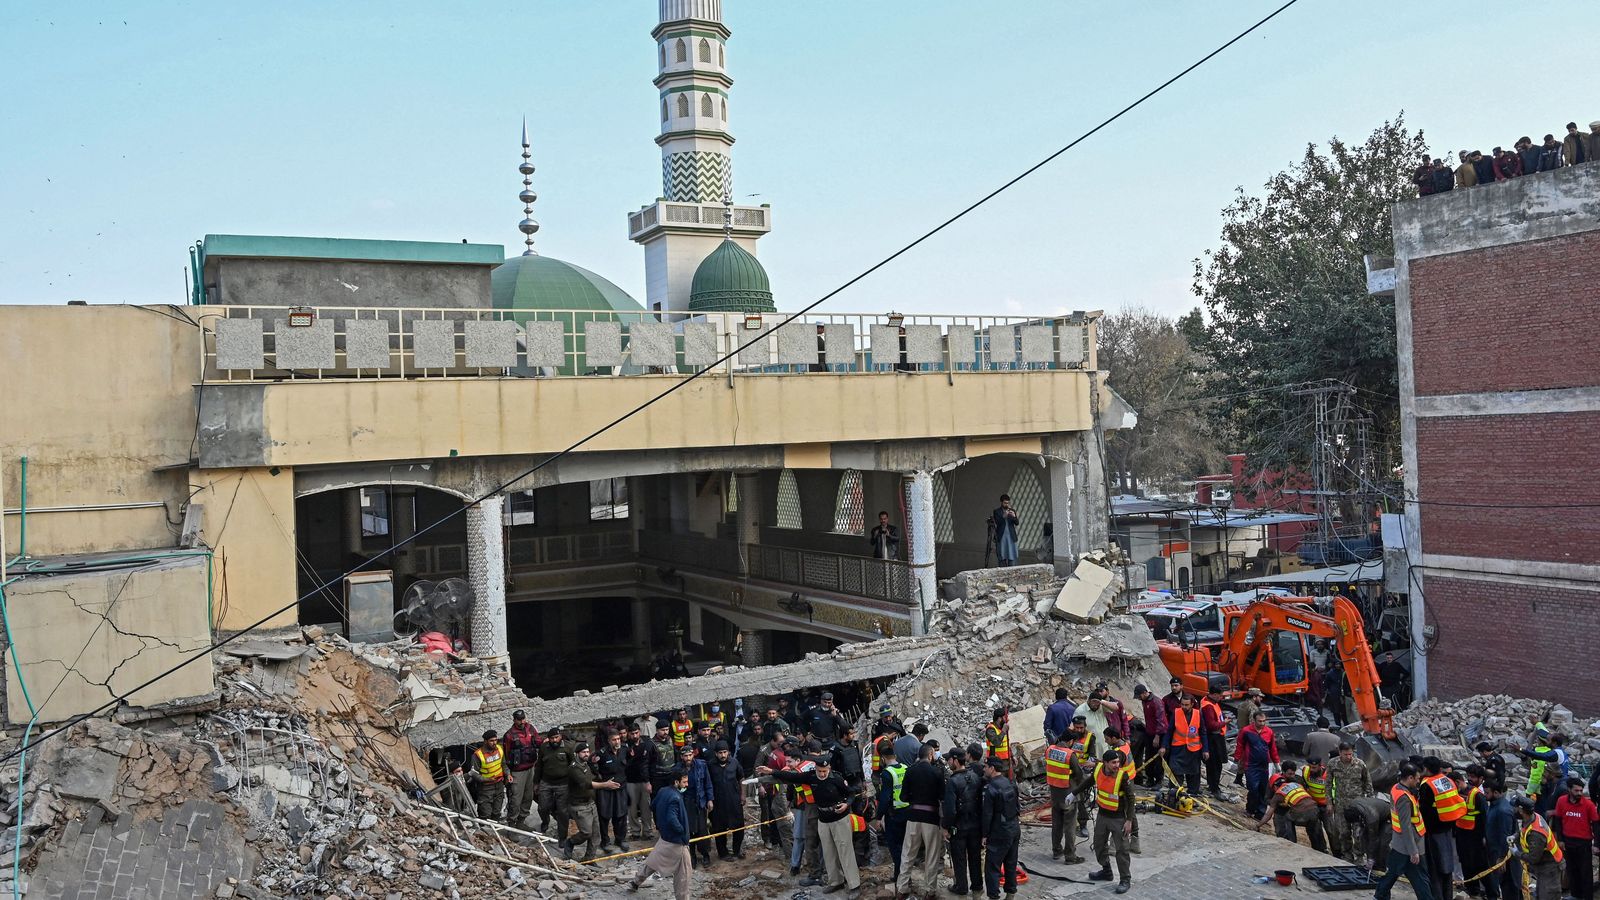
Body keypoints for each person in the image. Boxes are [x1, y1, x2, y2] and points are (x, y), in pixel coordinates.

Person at [762, 756, 861, 896]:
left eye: (824, 771)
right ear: (815, 769)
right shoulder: (811, 777)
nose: (822, 774)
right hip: (823, 820)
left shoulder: (836, 779)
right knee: (828, 853)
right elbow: (791, 776)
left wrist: (847, 804)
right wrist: (771, 771)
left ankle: (854, 885)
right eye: (819, 771)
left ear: (829, 769)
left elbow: (851, 793)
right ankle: (836, 882)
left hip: (839, 819)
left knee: (845, 852)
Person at [627, 768, 692, 900]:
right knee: (684, 875)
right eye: (684, 782)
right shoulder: (675, 797)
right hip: (677, 842)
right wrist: (682, 831)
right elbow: (672, 818)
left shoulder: (663, 791)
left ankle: (635, 882)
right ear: (676, 782)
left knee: (652, 862)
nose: (686, 785)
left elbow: (653, 806)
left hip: (664, 839)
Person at [1373, 764, 1433, 900]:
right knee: (1419, 877)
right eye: (1417, 779)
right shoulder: (1404, 798)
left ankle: (1380, 895)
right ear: (1410, 778)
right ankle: (1380, 895)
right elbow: (1406, 826)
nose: (1418, 781)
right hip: (1410, 844)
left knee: (1394, 873)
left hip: (1401, 843)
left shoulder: (1396, 788)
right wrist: (1413, 851)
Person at [897, 743, 947, 899]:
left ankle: (902, 888)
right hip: (931, 819)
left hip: (913, 817)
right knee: (931, 856)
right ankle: (929, 891)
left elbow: (902, 797)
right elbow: (943, 797)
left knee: (907, 854)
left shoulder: (910, 771)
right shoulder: (937, 772)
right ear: (931, 755)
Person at [1087, 748, 1135, 895]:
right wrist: (1072, 794)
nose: (1117, 765)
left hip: (1118, 818)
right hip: (1102, 816)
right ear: (1105, 763)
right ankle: (1106, 871)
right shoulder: (1098, 771)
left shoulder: (1122, 776)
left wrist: (1129, 821)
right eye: (1113, 762)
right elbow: (1087, 782)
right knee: (1099, 845)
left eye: (1118, 762)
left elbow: (1131, 798)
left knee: (1122, 850)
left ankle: (1125, 880)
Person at [1417, 757, 1464, 900]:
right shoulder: (1447, 780)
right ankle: (1447, 896)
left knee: (1435, 869)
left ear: (1427, 769)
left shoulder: (1427, 785)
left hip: (1433, 831)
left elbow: (1424, 810)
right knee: (1447, 867)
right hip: (1448, 828)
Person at [565, 742, 618, 862]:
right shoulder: (574, 768)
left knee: (595, 835)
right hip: (579, 805)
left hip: (590, 803)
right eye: (583, 752)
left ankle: (589, 860)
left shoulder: (586, 765)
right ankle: (571, 842)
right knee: (586, 832)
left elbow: (592, 777)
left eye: (588, 752)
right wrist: (605, 785)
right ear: (577, 754)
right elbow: (586, 784)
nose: (586, 754)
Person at [943, 748, 985, 896]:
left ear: (955, 761)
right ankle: (977, 886)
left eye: (949, 760)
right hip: (975, 825)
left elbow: (950, 809)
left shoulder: (952, 782)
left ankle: (961, 886)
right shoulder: (975, 777)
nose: (948, 762)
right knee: (975, 857)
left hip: (959, 827)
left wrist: (946, 828)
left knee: (959, 858)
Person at [981, 756, 1023, 898]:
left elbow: (987, 815)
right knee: (1011, 863)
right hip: (1014, 828)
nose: (984, 769)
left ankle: (994, 896)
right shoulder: (1010, 783)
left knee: (992, 867)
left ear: (992, 769)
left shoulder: (991, 788)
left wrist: (984, 835)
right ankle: (1010, 894)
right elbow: (1017, 806)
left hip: (999, 832)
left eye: (986, 767)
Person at [1043, 733, 1088, 863]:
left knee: (1056, 824)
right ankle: (1070, 856)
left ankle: (1056, 851)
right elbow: (1079, 774)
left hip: (1054, 792)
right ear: (1071, 741)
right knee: (1070, 825)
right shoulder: (1070, 754)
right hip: (1068, 794)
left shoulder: (1050, 750)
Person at [1258, 771, 1328, 852]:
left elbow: (1268, 815)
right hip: (1315, 809)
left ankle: (1291, 843)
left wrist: (1258, 825)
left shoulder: (1278, 793)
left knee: (1287, 818)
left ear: (1274, 786)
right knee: (1314, 824)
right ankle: (1321, 849)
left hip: (1302, 812)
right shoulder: (1297, 784)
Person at [1511, 794, 1564, 900]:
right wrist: (1515, 837)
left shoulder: (1536, 833)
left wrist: (1516, 853)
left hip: (1550, 867)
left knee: (1548, 896)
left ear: (1521, 810)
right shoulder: (1532, 817)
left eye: (1515, 808)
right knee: (1540, 895)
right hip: (1544, 866)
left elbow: (1533, 858)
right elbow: (1524, 831)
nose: (1513, 810)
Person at [1553, 777, 1598, 900]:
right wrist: (1560, 839)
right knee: (1572, 871)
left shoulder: (1588, 805)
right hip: (1568, 842)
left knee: (1586, 873)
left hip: (1584, 843)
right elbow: (1558, 820)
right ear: (1569, 789)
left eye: (1581, 790)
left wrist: (1596, 844)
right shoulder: (1561, 801)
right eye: (1576, 790)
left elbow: (1595, 824)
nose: (1579, 793)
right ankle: (1575, 895)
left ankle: (1587, 897)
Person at [1327, 741, 1373, 861]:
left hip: (1357, 805)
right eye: (1345, 754)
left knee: (1358, 833)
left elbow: (1368, 783)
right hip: (1340, 804)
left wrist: (1369, 803)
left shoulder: (1360, 764)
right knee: (1343, 833)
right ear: (1340, 753)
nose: (1348, 757)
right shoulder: (1333, 764)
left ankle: (1359, 856)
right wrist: (1329, 802)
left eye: (1350, 754)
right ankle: (1347, 855)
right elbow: (1328, 784)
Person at [874, 741, 909, 882]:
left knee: (895, 847)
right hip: (907, 812)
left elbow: (885, 798)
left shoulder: (887, 774)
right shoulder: (906, 768)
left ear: (883, 758)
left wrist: (878, 817)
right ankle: (905, 874)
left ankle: (900, 875)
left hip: (894, 815)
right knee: (906, 846)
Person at [705, 741, 745, 861]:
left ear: (728, 752)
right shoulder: (710, 765)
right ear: (716, 754)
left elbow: (741, 778)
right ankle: (723, 854)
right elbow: (707, 783)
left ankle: (737, 850)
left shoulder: (734, 762)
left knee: (739, 827)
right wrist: (709, 800)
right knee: (719, 828)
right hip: (718, 803)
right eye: (720, 753)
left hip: (734, 800)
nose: (723, 755)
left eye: (725, 752)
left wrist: (743, 795)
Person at [1235, 710, 1279, 819]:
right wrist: (1237, 758)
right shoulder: (1246, 731)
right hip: (1250, 765)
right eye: (1260, 721)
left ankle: (1260, 812)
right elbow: (1240, 744)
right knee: (1253, 788)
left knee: (1263, 789)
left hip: (1264, 765)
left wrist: (1276, 763)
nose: (1262, 723)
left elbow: (1272, 748)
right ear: (1254, 721)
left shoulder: (1269, 732)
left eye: (1264, 721)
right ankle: (1250, 809)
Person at [754, 730, 792, 856]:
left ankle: (776, 839)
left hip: (775, 787)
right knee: (766, 813)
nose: (782, 745)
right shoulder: (765, 750)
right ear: (773, 741)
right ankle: (767, 839)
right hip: (766, 786)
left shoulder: (780, 752)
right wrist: (760, 786)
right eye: (780, 743)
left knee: (775, 813)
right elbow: (757, 769)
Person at [536, 725, 577, 838]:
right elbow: (539, 765)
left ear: (560, 737)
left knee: (562, 812)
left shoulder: (568, 747)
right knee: (543, 807)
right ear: (548, 739)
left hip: (563, 784)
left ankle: (562, 837)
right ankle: (545, 822)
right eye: (552, 738)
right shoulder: (544, 748)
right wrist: (536, 783)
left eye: (556, 737)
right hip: (546, 782)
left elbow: (574, 766)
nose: (554, 740)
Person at [1454, 764, 1488, 897]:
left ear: (1481, 778)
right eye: (1468, 776)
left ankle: (1483, 889)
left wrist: (1485, 836)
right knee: (1466, 862)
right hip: (1463, 832)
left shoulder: (1480, 794)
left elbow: (1484, 817)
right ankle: (1472, 889)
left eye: (1472, 777)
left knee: (1478, 863)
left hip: (1476, 834)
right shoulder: (1465, 791)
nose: (1470, 779)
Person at [595, 729, 631, 853]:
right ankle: (605, 842)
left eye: (618, 739)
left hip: (621, 788)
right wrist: (603, 782)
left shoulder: (625, 749)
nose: (617, 741)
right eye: (614, 740)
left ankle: (620, 839)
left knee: (621, 815)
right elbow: (593, 767)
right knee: (605, 816)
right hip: (606, 789)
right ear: (609, 741)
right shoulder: (601, 753)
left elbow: (629, 764)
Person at [504, 710, 541, 828]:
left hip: (531, 768)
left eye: (523, 719)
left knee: (528, 797)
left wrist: (546, 742)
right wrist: (507, 772)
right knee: (515, 799)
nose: (522, 721)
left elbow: (538, 741)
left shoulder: (530, 728)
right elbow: (505, 755)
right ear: (514, 720)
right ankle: (512, 824)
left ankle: (521, 822)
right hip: (517, 772)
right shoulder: (509, 735)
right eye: (519, 719)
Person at [1482, 780, 1517, 900]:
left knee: (1507, 883)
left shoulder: (1503, 811)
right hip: (1494, 849)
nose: (1485, 795)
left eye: (1487, 793)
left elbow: (1506, 836)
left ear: (1496, 793)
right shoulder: (1494, 804)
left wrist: (1502, 858)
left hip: (1502, 853)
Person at [1164, 692, 1205, 797]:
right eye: (1182, 704)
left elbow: (1203, 732)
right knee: (1176, 772)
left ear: (1191, 704)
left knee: (1194, 774)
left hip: (1194, 750)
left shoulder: (1198, 714)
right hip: (1178, 749)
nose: (1184, 707)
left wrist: (1206, 750)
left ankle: (1193, 795)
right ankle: (1174, 794)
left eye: (1186, 705)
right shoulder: (1176, 713)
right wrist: (1164, 745)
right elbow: (1169, 731)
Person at [679, 746, 713, 867]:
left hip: (700, 802)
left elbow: (707, 783)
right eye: (685, 756)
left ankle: (705, 855)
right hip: (685, 803)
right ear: (682, 757)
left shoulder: (701, 765)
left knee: (702, 830)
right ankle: (691, 856)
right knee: (689, 831)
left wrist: (710, 799)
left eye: (690, 755)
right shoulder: (677, 769)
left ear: (693, 755)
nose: (688, 758)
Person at [470, 729, 510, 821]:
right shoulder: (478, 755)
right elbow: (474, 774)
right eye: (491, 741)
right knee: (485, 815)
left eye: (495, 740)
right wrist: (486, 779)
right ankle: (484, 833)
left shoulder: (500, 749)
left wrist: (508, 774)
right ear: (485, 741)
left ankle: (494, 833)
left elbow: (503, 764)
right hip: (485, 788)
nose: (494, 743)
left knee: (496, 813)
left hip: (499, 785)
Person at [1131, 684, 1166, 789]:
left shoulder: (1156, 702)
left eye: (1139, 696)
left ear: (1144, 693)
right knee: (1148, 758)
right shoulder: (1145, 701)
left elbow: (1161, 721)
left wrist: (1157, 736)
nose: (1138, 699)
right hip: (1149, 733)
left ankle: (1159, 781)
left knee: (1158, 759)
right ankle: (1150, 779)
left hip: (1158, 734)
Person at [1300, 757, 1335, 851]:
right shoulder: (1305, 771)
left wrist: (1331, 804)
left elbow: (1334, 791)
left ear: (1320, 766)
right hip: (1312, 805)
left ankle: (1337, 852)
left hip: (1326, 806)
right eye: (1310, 767)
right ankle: (1320, 849)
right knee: (1313, 829)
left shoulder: (1328, 775)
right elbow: (1303, 784)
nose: (1312, 769)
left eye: (1314, 767)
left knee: (1331, 830)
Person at [1199, 689, 1227, 798]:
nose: (1221, 698)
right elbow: (1211, 725)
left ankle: (1213, 786)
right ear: (1215, 695)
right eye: (1220, 695)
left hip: (1216, 737)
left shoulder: (1212, 703)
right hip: (1213, 738)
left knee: (1215, 764)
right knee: (1215, 764)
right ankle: (1214, 788)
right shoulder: (1208, 706)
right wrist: (1224, 722)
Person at [1232, 686, 1262, 786]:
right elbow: (1253, 724)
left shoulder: (1242, 705)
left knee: (1243, 758)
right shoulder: (1252, 707)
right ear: (1254, 697)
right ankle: (1250, 782)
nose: (1261, 699)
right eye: (1259, 697)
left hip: (1241, 734)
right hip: (1249, 736)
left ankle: (1238, 779)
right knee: (1251, 759)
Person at [991, 495, 1019, 567]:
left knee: (1012, 557)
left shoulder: (1012, 511)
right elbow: (997, 523)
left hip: (1011, 537)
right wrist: (1004, 516)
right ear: (1001, 502)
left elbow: (1017, 523)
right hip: (1001, 537)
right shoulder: (997, 511)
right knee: (1002, 558)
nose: (1006, 505)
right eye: (1005, 503)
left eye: (1008, 503)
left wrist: (1014, 517)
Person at [984, 708, 1011, 777]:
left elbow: (1006, 744)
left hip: (1006, 762)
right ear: (999, 719)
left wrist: (1012, 756)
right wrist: (1003, 731)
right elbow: (996, 742)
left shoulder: (1001, 729)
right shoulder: (990, 729)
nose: (1007, 720)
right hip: (996, 764)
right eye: (1005, 717)